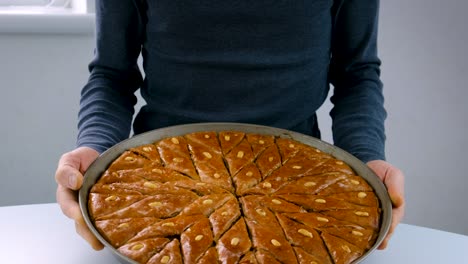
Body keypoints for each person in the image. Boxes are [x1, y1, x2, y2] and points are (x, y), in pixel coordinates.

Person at [55, 0, 405, 251]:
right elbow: (112, 75)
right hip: (157, 182)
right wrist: (93, 149)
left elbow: (356, 74)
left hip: (299, 188)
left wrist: (367, 160)